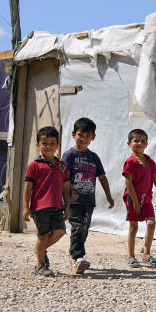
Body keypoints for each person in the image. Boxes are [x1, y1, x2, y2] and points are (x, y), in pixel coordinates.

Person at [61, 117, 114, 274]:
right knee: (77, 226)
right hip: (74, 200)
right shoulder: (69, 155)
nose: (83, 138)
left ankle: (75, 255)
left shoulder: (93, 157)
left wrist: (109, 196)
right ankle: (77, 257)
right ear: (73, 134)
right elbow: (64, 177)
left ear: (93, 137)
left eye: (87, 135)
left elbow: (102, 177)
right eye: (80, 135)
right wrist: (69, 192)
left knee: (84, 228)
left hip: (89, 200)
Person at [23, 126, 73, 277]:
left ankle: (40, 250)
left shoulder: (62, 167)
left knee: (60, 231)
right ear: (37, 145)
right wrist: (26, 207)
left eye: (52, 143)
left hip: (58, 206)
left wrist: (68, 206)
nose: (49, 147)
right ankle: (40, 265)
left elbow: (66, 188)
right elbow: (28, 188)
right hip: (40, 207)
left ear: (57, 145)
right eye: (45, 143)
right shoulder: (34, 166)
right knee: (43, 234)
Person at [121, 128, 156, 268]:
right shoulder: (130, 162)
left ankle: (146, 254)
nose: (139, 143)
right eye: (136, 141)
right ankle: (131, 256)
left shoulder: (150, 162)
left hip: (146, 199)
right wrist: (135, 202)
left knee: (151, 223)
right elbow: (128, 182)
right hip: (133, 199)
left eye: (143, 141)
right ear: (129, 143)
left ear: (146, 144)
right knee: (133, 227)